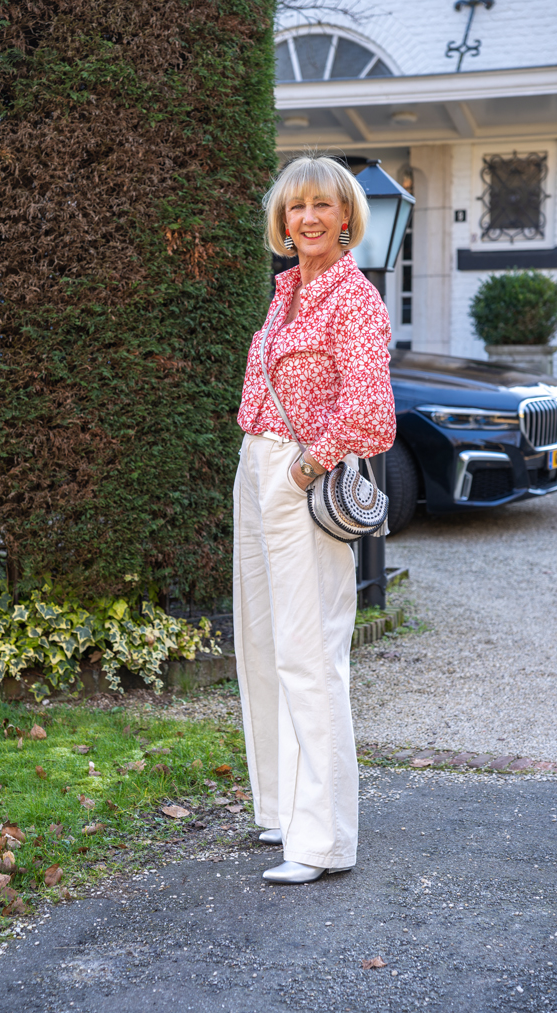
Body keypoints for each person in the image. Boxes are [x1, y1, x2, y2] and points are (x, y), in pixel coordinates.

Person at [233, 154, 396, 884]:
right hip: (256, 462)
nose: (308, 218)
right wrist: (267, 464)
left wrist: (304, 465)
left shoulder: (353, 298)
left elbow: (370, 411)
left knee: (308, 650)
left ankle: (323, 839)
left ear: (344, 217)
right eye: (296, 205)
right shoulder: (284, 293)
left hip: (304, 472)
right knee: (262, 643)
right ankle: (279, 808)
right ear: (282, 219)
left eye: (322, 206)